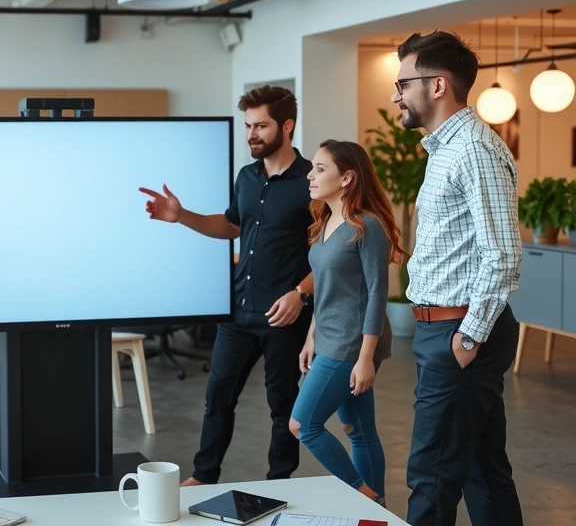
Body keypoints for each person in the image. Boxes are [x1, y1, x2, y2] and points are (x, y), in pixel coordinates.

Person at [140, 85, 315, 486]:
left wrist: (300, 293)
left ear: (287, 126)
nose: (251, 134)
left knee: (282, 405)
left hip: (284, 314)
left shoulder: (310, 181)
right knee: (218, 396)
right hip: (238, 309)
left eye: (261, 126)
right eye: (248, 125)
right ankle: (204, 476)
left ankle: (280, 482)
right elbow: (234, 225)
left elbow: (329, 250)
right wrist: (181, 215)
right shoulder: (247, 177)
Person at [394, 31, 523, 526]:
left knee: (431, 475)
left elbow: (503, 254)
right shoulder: (446, 149)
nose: (396, 95)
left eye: (403, 84)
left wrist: (468, 338)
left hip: (462, 330)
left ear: (438, 85)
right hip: (446, 328)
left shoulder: (473, 149)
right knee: (481, 469)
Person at [289, 140, 403, 507]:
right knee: (358, 430)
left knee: (303, 425)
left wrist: (365, 358)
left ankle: (363, 495)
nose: (310, 174)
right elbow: (326, 288)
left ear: (347, 178)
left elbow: (377, 293)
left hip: (352, 344)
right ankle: (377, 508)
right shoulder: (326, 221)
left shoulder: (367, 226)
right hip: (329, 338)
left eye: (320, 169)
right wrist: (311, 338)